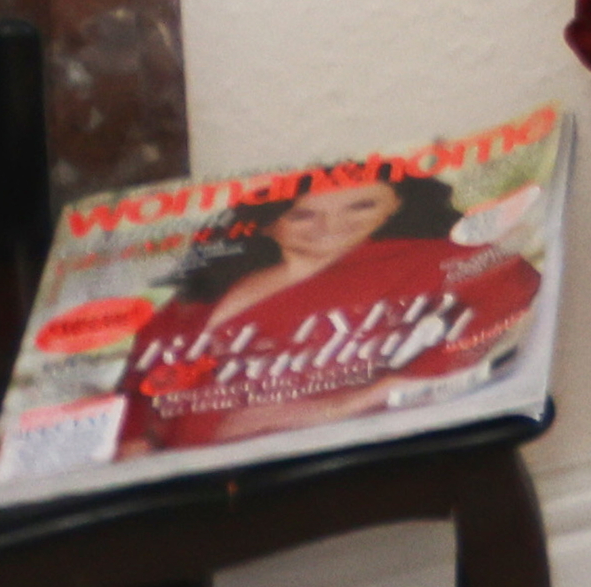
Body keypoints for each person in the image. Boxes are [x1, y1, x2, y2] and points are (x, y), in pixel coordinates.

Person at [116, 159, 542, 462]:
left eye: (363, 206)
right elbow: (142, 389)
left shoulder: (423, 258)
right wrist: (137, 447)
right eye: (303, 215)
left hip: (329, 463)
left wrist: (364, 398)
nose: (332, 227)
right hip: (194, 484)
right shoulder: (197, 299)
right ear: (268, 221)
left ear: (396, 205)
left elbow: (511, 283)